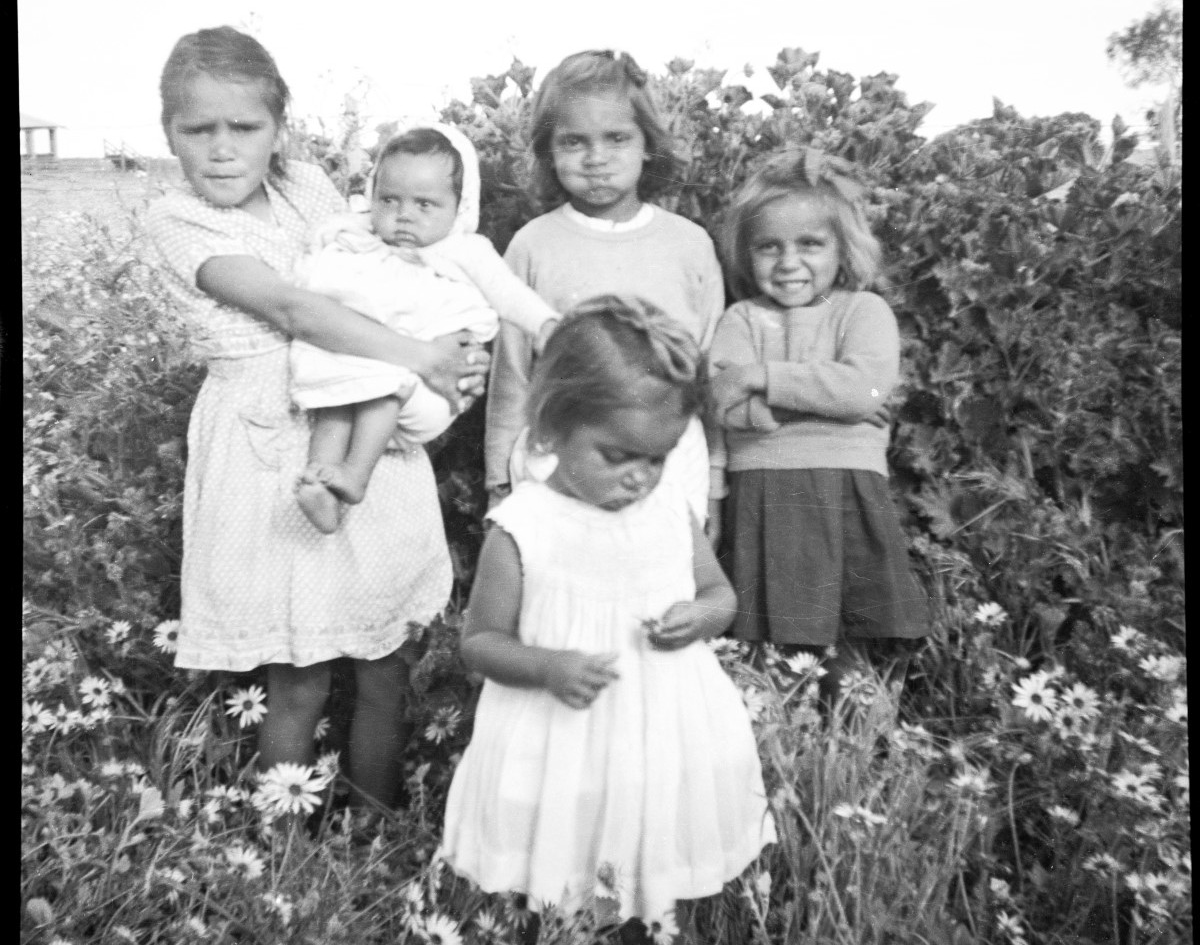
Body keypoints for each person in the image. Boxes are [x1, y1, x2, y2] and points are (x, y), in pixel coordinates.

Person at [143, 27, 488, 811]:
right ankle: (281, 850)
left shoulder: (304, 184)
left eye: (245, 127)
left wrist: (453, 350)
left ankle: (374, 828)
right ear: (169, 133)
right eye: (199, 129)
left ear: (279, 129)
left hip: (364, 416)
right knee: (296, 671)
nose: (223, 149)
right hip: (267, 446)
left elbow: (390, 267)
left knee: (384, 660)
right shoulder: (176, 218)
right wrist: (420, 354)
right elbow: (294, 309)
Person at [444, 296, 775, 936]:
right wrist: (547, 666)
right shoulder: (523, 528)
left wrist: (700, 616)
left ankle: (650, 919)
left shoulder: (669, 511)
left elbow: (721, 594)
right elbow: (480, 641)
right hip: (563, 737)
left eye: (656, 458)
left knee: (652, 842)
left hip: (663, 728)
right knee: (569, 853)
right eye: (616, 455)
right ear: (550, 430)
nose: (638, 478)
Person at [708, 146, 930, 708]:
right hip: (764, 490)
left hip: (844, 489)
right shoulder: (740, 319)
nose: (789, 262)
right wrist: (827, 402)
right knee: (766, 645)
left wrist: (762, 378)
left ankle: (857, 743)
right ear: (746, 253)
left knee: (848, 650)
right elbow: (725, 406)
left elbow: (865, 391)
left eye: (810, 244)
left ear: (843, 248)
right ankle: (777, 742)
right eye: (769, 246)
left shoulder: (863, 311)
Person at [483, 49, 725, 521]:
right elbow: (512, 373)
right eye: (574, 142)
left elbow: (709, 369)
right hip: (561, 454)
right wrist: (498, 481)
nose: (596, 158)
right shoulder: (533, 245)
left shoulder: (689, 245)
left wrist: (715, 477)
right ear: (549, 151)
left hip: (669, 456)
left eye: (616, 138)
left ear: (647, 143)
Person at [289, 125, 558, 533]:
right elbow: (316, 258)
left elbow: (507, 293)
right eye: (389, 200)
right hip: (367, 358)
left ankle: (355, 476)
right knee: (334, 399)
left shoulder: (463, 249)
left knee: (381, 386)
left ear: (458, 208)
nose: (404, 214)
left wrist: (546, 325)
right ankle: (320, 484)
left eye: (425, 204)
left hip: (416, 381)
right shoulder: (359, 236)